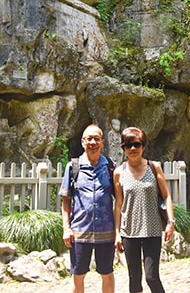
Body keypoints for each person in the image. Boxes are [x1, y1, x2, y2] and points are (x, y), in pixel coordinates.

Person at [114, 127, 174, 293]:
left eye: (137, 144)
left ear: (143, 146)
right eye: (128, 145)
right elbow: (119, 204)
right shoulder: (119, 172)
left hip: (152, 230)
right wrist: (117, 233)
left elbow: (167, 195)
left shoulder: (154, 168)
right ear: (123, 148)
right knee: (134, 279)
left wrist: (171, 222)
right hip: (129, 232)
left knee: (151, 277)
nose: (133, 149)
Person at [60, 125, 116, 293]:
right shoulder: (73, 167)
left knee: (107, 273)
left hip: (106, 231)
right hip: (80, 231)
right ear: (82, 142)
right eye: (89, 139)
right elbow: (66, 200)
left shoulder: (110, 167)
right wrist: (66, 228)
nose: (93, 142)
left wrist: (119, 231)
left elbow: (119, 201)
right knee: (78, 274)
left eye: (96, 139)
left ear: (102, 142)